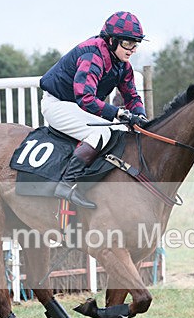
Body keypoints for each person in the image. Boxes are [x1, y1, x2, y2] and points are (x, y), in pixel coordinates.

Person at [40, 11, 149, 209]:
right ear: (111, 40)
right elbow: (86, 98)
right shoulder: (92, 55)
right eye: (127, 43)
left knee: (123, 132)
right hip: (57, 104)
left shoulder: (122, 65)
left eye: (135, 44)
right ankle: (67, 184)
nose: (132, 49)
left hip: (78, 106)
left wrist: (140, 116)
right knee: (101, 131)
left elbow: (132, 96)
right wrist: (118, 113)